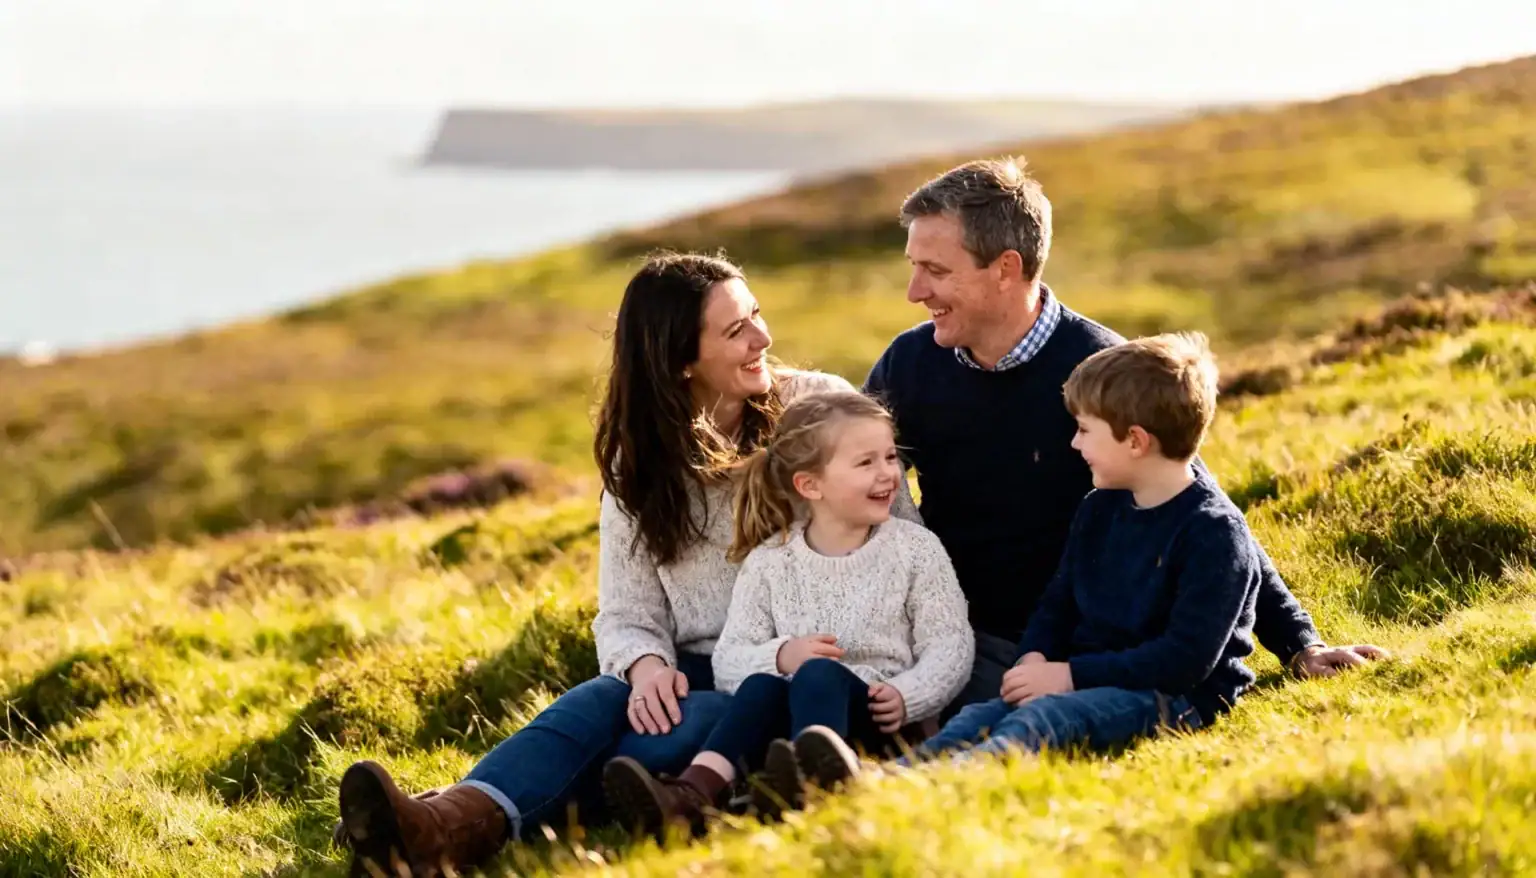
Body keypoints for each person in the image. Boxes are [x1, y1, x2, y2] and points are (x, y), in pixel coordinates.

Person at [334, 252, 916, 877]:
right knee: (603, 699)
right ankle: (445, 825)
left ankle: (444, 825)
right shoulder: (639, 470)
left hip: (802, 675)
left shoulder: (821, 410)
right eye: (735, 330)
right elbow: (629, 612)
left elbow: (902, 547)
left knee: (674, 730)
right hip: (701, 665)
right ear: (679, 361)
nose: (763, 338)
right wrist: (644, 667)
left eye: (756, 315)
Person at [860, 157, 1387, 717]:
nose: (915, 291)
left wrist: (1300, 644)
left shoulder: (1098, 371)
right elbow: (842, 474)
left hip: (1053, 647)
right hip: (938, 628)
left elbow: (1201, 511)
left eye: (936, 271)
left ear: (1005, 268)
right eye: (914, 267)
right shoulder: (910, 362)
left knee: (931, 721)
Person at [794, 332, 1267, 781]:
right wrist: (1035, 657)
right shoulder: (1099, 508)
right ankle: (885, 777)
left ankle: (925, 785)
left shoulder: (1213, 532)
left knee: (1046, 717)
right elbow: (1059, 602)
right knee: (983, 714)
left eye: (1084, 430)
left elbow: (1185, 659)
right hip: (1091, 675)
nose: (1074, 443)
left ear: (1136, 441)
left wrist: (1069, 675)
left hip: (1175, 697)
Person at [599, 391, 972, 837]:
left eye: (891, 457)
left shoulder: (914, 550)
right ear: (810, 485)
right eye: (865, 463)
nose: (888, 474)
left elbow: (950, 641)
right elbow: (729, 660)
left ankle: (818, 787)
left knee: (819, 675)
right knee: (762, 685)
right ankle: (691, 794)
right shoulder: (772, 562)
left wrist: (909, 694)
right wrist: (781, 656)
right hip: (793, 722)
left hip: (882, 716)